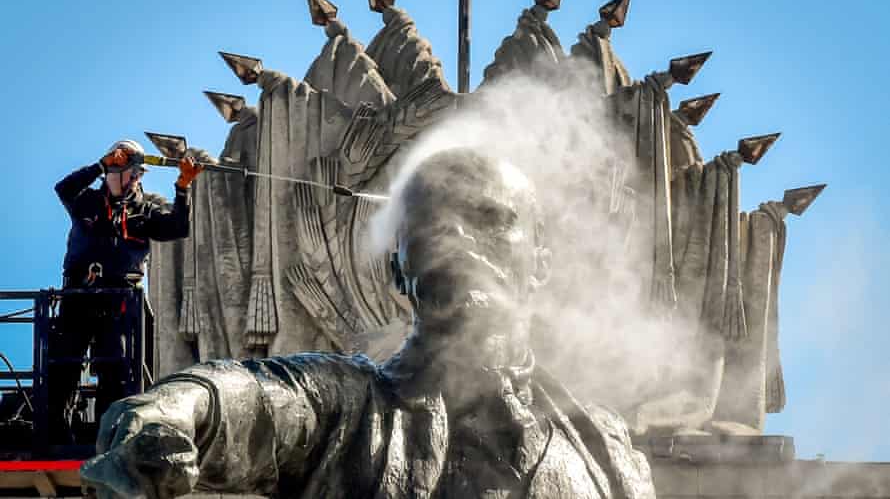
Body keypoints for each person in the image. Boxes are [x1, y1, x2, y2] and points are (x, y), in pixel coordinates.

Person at [80, 148, 654, 499]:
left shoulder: (608, 448)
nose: (453, 238)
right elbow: (249, 399)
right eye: (429, 224)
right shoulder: (344, 408)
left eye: (488, 219)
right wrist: (168, 412)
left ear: (542, 261)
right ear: (397, 271)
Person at [49, 140, 203, 442]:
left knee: (116, 367)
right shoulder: (88, 202)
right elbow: (63, 189)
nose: (134, 179)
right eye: (128, 172)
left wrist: (183, 187)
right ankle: (55, 433)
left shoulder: (145, 209)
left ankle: (111, 436)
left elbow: (177, 227)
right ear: (112, 172)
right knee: (63, 366)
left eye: (138, 174)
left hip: (119, 299)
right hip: (79, 296)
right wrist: (99, 165)